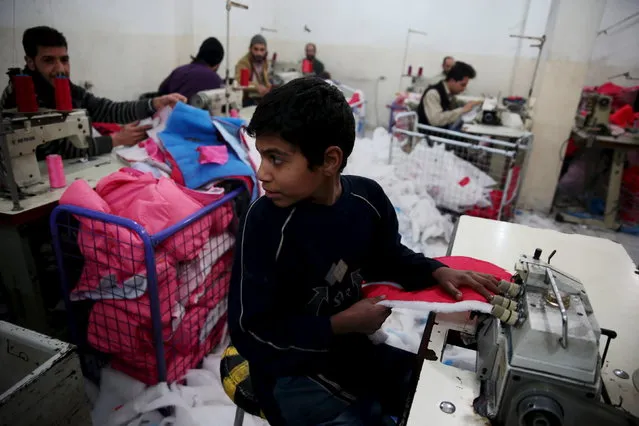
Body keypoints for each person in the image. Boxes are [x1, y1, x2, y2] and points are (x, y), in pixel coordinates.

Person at [227, 77, 499, 425]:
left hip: (349, 348)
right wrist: (338, 325)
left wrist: (435, 270)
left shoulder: (366, 201)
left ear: (329, 160)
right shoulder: (266, 224)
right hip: (290, 373)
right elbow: (250, 332)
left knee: (433, 396)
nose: (263, 173)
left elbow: (387, 258)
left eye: (276, 159)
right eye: (262, 156)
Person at [0, 26, 186, 160]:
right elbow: (50, 150)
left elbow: (107, 109)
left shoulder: (65, 88)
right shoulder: (20, 97)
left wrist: (154, 104)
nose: (60, 69)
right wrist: (115, 140)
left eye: (64, 60)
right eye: (49, 60)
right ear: (30, 62)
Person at [418, 61, 481, 130]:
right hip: (429, 136)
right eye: (462, 85)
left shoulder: (450, 94)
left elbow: (454, 108)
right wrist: (462, 110)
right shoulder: (433, 93)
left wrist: (470, 105)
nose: (464, 89)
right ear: (452, 80)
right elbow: (436, 120)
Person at [158, 37, 224, 102]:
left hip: (173, 111)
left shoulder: (178, 71)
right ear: (217, 65)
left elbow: (161, 93)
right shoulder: (216, 80)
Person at [234, 34, 271, 107]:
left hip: (261, 97)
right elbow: (239, 82)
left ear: (265, 51)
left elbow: (265, 79)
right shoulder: (244, 63)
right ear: (250, 49)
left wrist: (268, 87)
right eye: (256, 49)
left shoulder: (265, 61)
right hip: (247, 98)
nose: (259, 53)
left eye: (262, 50)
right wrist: (256, 87)